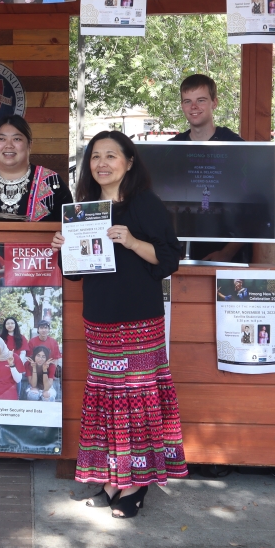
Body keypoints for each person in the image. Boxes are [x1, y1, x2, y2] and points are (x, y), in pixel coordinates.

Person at [50, 130, 185, 518]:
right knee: (110, 400)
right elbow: (74, 274)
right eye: (95, 157)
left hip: (139, 320)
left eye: (111, 155)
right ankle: (115, 475)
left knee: (136, 399)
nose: (102, 163)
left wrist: (130, 241)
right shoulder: (84, 209)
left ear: (128, 162)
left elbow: (169, 258)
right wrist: (63, 249)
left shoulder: (145, 205)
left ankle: (137, 481)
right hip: (100, 318)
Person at [169, 74, 250, 263]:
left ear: (214, 103)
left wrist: (227, 252)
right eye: (187, 101)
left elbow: (259, 202)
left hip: (228, 256)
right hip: (178, 255)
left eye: (201, 100)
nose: (194, 107)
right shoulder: (171, 149)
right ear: (182, 106)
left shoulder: (237, 147)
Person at [0, 116, 71, 221]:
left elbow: (69, 227)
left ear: (29, 145)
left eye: (17, 139)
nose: (9, 145)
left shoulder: (51, 182)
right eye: (1, 139)